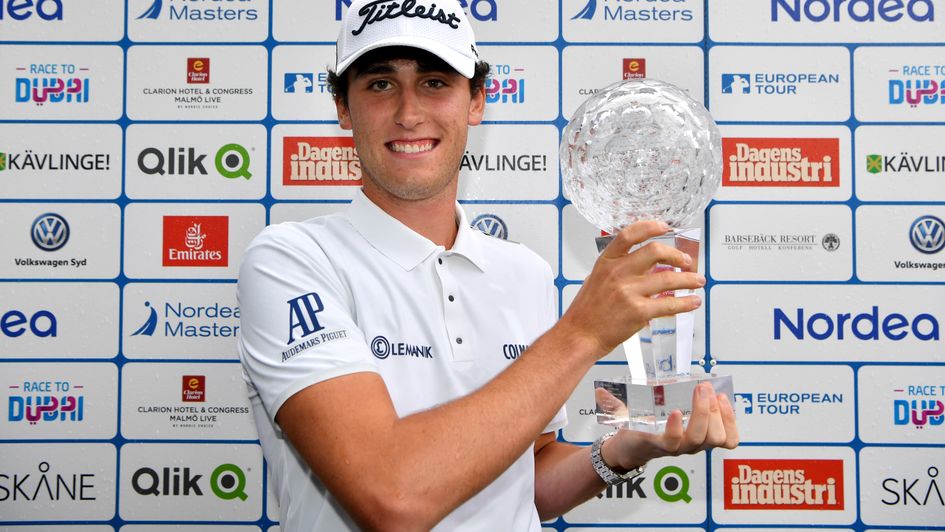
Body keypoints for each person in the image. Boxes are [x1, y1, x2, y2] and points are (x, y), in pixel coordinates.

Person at [237, 1, 738, 530]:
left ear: (476, 101)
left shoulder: (523, 272)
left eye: (434, 83)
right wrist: (582, 333)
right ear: (343, 106)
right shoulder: (292, 261)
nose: (409, 113)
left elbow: (525, 483)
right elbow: (392, 497)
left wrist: (621, 451)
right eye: (381, 84)